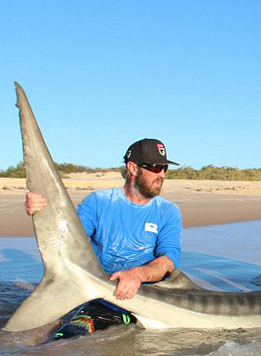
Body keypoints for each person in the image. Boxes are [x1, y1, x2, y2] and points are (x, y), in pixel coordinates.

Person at [25, 138, 182, 338]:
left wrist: (137, 275)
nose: (161, 174)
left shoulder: (168, 211)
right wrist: (43, 211)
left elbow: (168, 261)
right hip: (104, 298)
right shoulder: (98, 203)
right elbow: (69, 241)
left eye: (164, 168)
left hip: (155, 299)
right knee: (59, 344)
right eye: (155, 167)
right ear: (133, 168)